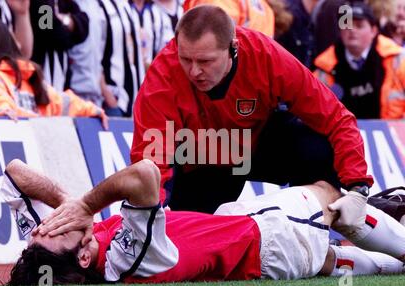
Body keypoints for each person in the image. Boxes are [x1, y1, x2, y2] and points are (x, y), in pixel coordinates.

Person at [130, 5, 373, 242]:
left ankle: (312, 231)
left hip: (256, 144)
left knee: (316, 144)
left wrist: (358, 187)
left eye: (205, 61)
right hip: (204, 157)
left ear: (233, 49)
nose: (194, 72)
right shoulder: (162, 76)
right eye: (185, 59)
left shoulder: (265, 55)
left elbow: (336, 118)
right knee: (190, 239)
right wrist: (152, 213)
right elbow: (150, 160)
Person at [3, 159, 405, 286]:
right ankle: (396, 238)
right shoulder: (128, 261)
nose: (46, 225)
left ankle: (395, 263)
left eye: (39, 228)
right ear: (86, 257)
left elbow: (15, 170)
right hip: (268, 239)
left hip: (241, 236)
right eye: (52, 231)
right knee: (333, 196)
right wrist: (87, 204)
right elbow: (144, 175)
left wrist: (67, 206)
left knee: (327, 261)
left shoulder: (56, 252)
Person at [0, 17, 107, 127]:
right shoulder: (44, 4)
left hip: (49, 82)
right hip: (48, 81)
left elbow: (78, 30)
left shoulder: (65, 5)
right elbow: (51, 33)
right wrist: (66, 23)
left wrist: (65, 22)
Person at [314, 1, 405, 119]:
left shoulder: (397, 58)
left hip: (389, 132)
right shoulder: (325, 68)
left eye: (359, 25)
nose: (352, 30)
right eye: (346, 25)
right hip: (342, 134)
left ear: (373, 31)